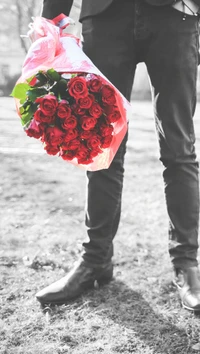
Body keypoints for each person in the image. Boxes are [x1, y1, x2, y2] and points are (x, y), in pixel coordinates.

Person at [36, 0, 200, 311]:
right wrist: (50, 19)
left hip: (175, 14)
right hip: (106, 15)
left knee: (179, 149)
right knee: (102, 147)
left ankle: (187, 264)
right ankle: (95, 260)